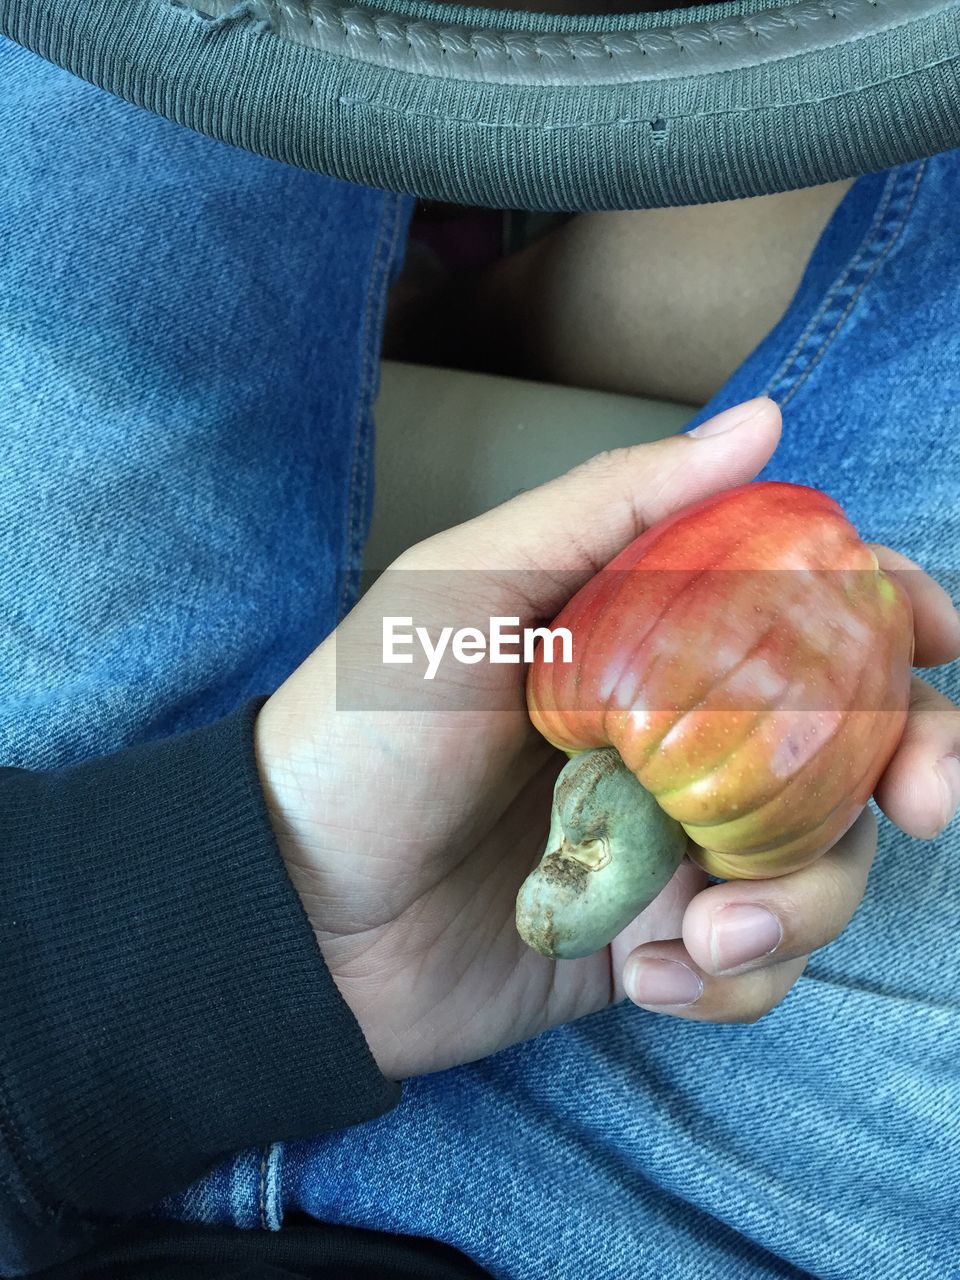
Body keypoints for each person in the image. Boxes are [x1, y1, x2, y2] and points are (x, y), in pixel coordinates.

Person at [2, 23, 959, 1280]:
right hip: (727, 1196)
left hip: (73, 1042)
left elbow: (433, 646)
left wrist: (261, 895)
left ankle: (471, 282)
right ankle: (499, 291)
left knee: (115, 75)